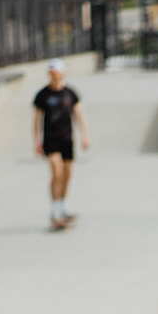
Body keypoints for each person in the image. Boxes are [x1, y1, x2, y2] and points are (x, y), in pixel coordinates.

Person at [31, 59, 90, 229]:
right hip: (51, 140)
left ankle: (62, 207)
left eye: (56, 72)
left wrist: (85, 135)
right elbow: (36, 120)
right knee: (57, 173)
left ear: (62, 73)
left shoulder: (70, 93)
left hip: (67, 139)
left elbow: (79, 115)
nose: (54, 75)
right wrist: (36, 141)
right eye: (51, 72)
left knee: (67, 175)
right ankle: (55, 211)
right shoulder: (43, 95)